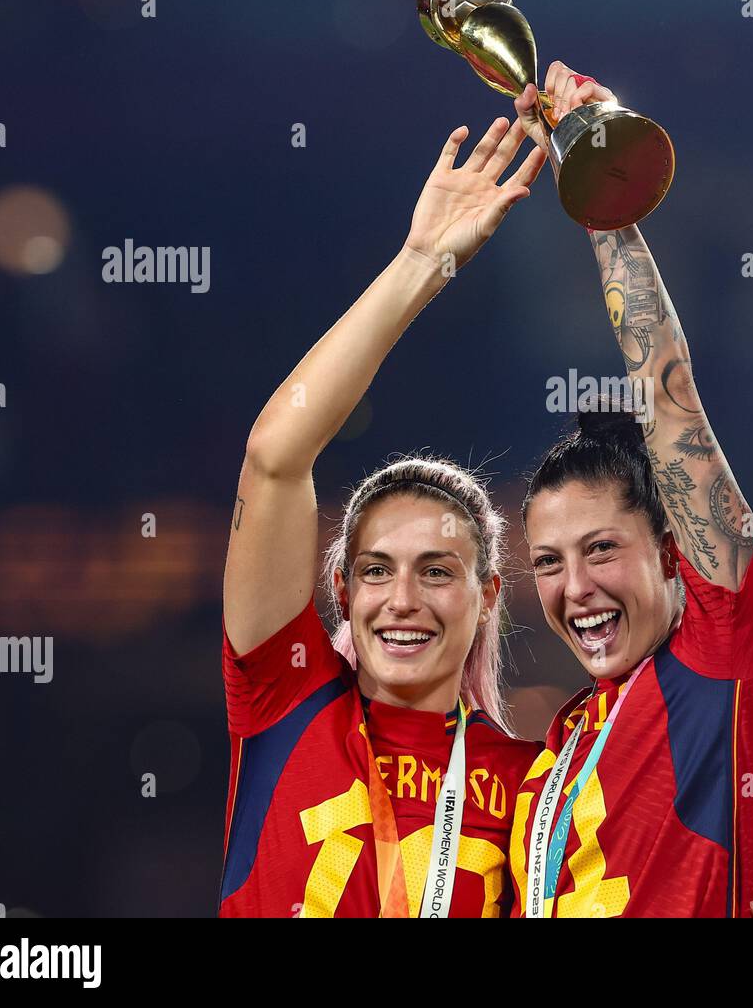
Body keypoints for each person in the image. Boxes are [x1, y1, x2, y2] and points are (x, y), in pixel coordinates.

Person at [219, 116, 547, 917]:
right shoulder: (286, 700)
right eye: (376, 570)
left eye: (437, 571)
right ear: (340, 587)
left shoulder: (537, 783)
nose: (402, 600)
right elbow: (274, 457)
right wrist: (422, 262)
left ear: (490, 595)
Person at [505, 63, 753, 917]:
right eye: (551, 561)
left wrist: (601, 199)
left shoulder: (720, 660)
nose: (576, 588)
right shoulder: (563, 744)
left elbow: (668, 395)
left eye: (601, 550)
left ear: (675, 552)